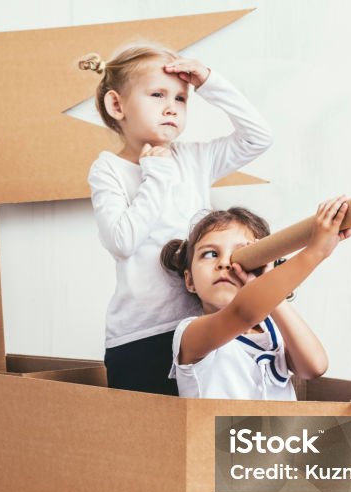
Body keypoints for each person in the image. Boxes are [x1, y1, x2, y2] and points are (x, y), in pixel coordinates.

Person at [79, 45, 273, 395]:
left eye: (181, 99)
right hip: (140, 336)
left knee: (194, 434)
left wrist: (210, 83)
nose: (172, 107)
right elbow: (122, 242)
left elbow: (259, 137)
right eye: (157, 95)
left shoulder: (197, 158)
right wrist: (156, 174)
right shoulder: (108, 169)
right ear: (116, 105)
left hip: (199, 328)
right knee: (148, 438)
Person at [159, 200, 351, 400]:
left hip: (274, 432)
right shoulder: (190, 334)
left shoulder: (274, 331)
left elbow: (315, 367)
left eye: (239, 254)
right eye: (210, 254)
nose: (224, 263)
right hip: (218, 431)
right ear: (190, 280)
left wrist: (268, 288)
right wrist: (316, 251)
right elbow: (243, 313)